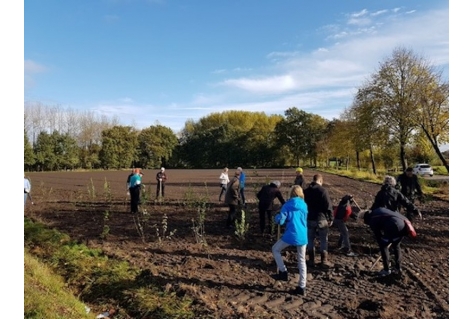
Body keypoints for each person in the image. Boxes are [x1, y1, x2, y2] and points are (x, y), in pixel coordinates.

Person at [271, 185, 308, 296]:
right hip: (302, 235)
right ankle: (302, 287)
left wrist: (277, 217)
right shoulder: (304, 205)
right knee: (301, 261)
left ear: (291, 193)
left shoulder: (287, 205)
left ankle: (283, 271)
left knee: (275, 249)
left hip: (291, 234)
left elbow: (281, 221)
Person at [360, 207, 417, 276]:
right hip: (404, 225)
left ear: (364, 218)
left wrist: (382, 242)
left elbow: (378, 235)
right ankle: (398, 268)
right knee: (396, 245)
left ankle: (386, 270)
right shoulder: (378, 211)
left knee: (383, 246)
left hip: (394, 226)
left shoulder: (372, 219)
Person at [303, 173, 333, 268]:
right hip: (321, 218)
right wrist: (331, 217)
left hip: (309, 218)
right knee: (323, 240)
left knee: (310, 239)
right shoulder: (323, 191)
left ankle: (311, 260)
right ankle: (324, 261)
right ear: (320, 181)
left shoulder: (306, 191)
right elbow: (328, 205)